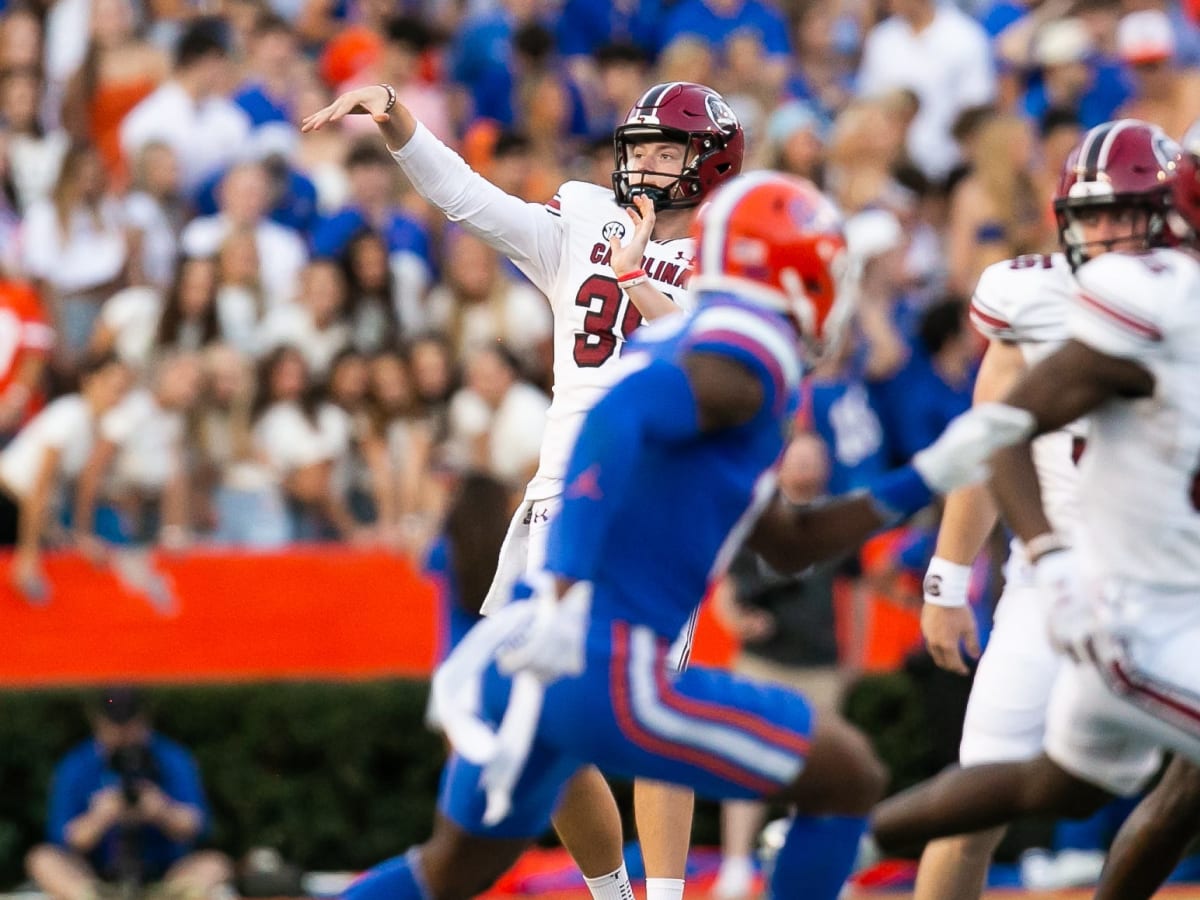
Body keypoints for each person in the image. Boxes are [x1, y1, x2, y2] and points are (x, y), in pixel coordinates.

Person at [325, 171, 1025, 900]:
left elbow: (787, 541)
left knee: (447, 872)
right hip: (605, 656)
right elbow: (616, 418)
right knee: (847, 775)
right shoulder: (749, 349)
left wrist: (928, 475)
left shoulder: (705, 339)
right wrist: (566, 578)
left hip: (532, 651)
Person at [303, 78, 747, 900]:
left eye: (665, 149)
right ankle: (611, 891)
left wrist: (635, 281)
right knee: (533, 713)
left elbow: (714, 356)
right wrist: (400, 120)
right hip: (557, 498)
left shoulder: (731, 247)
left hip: (654, 503)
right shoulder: (583, 220)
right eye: (638, 146)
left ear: (708, 160)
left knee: (650, 703)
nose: (645, 162)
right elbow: (468, 200)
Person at [867, 124, 1200, 900]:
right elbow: (993, 442)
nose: (1107, 235)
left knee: (1174, 796)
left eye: (1127, 214)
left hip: (1179, 581)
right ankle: (860, 837)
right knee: (979, 808)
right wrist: (949, 579)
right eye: (1092, 216)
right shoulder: (1035, 295)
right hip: (1066, 586)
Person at [26, 688, 234, 900]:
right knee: (42, 860)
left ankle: (172, 895)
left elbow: (197, 826)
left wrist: (161, 811)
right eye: (114, 722)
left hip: (164, 874)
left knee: (215, 864)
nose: (122, 730)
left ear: (144, 717)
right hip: (97, 874)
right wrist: (101, 816)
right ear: (98, 720)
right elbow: (64, 838)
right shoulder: (76, 764)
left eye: (130, 720)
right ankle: (92, 896)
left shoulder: (173, 758)